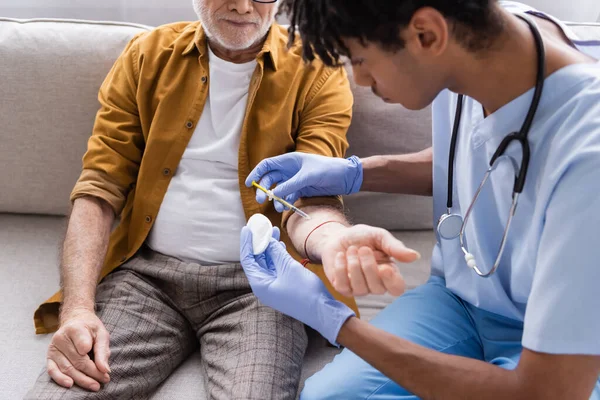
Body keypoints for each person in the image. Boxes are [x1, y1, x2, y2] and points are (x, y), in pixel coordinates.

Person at [240, 1, 600, 399]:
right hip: (458, 300)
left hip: (562, 346)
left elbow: (545, 392)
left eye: (360, 59)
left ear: (426, 35)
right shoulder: (480, 40)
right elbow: (484, 156)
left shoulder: (588, 154)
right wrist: (354, 171)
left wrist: (335, 320)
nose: (359, 79)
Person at [26, 0, 358, 398]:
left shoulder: (318, 68)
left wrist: (334, 242)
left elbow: (311, 196)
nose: (241, 5)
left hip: (262, 287)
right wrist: (78, 310)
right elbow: (99, 187)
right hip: (146, 280)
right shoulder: (145, 55)